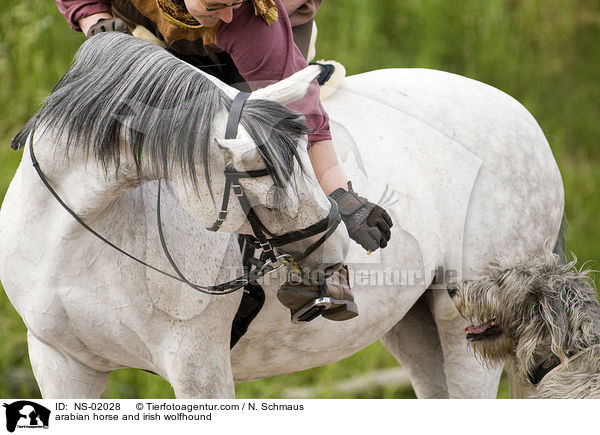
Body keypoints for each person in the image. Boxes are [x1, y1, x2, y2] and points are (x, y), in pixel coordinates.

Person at [55, 0, 393, 322]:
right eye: (216, 5)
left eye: (232, 4)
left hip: (265, 36)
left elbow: (305, 121)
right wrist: (94, 20)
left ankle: (322, 274)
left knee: (263, 137)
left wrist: (342, 196)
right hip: (157, 28)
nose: (227, 13)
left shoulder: (248, 17)